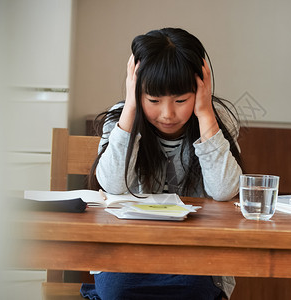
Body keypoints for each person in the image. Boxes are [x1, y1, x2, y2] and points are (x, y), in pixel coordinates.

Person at [81, 28, 243, 300]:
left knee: (195, 289)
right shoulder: (120, 119)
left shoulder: (216, 121)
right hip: (126, 252)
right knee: (118, 290)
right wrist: (131, 108)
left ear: (200, 89)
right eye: (153, 100)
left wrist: (205, 114)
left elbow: (225, 190)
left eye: (181, 100)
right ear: (136, 90)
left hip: (196, 255)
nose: (167, 114)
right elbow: (112, 184)